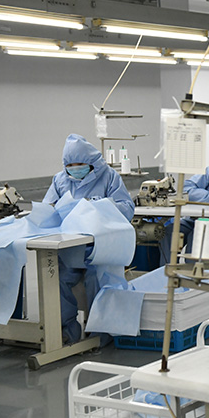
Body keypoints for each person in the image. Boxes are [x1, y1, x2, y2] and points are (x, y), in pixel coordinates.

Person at [43, 134, 136, 343]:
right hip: (71, 250)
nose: (75, 169)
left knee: (97, 278)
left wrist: (98, 205)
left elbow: (127, 209)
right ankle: (67, 330)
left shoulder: (109, 177)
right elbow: (48, 209)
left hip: (102, 247)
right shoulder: (60, 180)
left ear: (92, 163)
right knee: (56, 278)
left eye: (80, 164)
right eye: (70, 165)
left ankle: (102, 332)